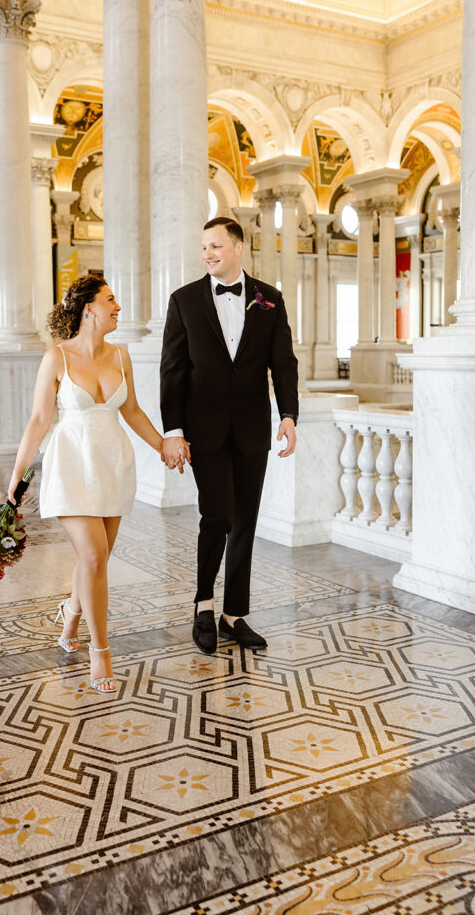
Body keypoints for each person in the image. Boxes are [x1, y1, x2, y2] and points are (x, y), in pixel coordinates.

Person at [7, 275, 164, 694]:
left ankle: (72, 611)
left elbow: (131, 411)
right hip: (71, 464)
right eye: (110, 300)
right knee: (94, 554)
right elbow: (40, 420)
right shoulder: (56, 357)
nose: (118, 306)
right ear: (88, 308)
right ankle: (101, 653)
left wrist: (163, 445)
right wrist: (17, 474)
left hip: (113, 463)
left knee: (98, 558)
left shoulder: (121, 355)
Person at [160, 216, 298, 655]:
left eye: (216, 246)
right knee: (216, 516)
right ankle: (203, 604)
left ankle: (234, 615)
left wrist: (289, 414)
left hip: (254, 430)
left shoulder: (269, 300)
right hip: (205, 430)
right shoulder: (183, 300)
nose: (208, 254)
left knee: (246, 522)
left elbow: (284, 363)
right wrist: (174, 430)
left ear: (238, 248)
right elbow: (173, 371)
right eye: (204, 247)